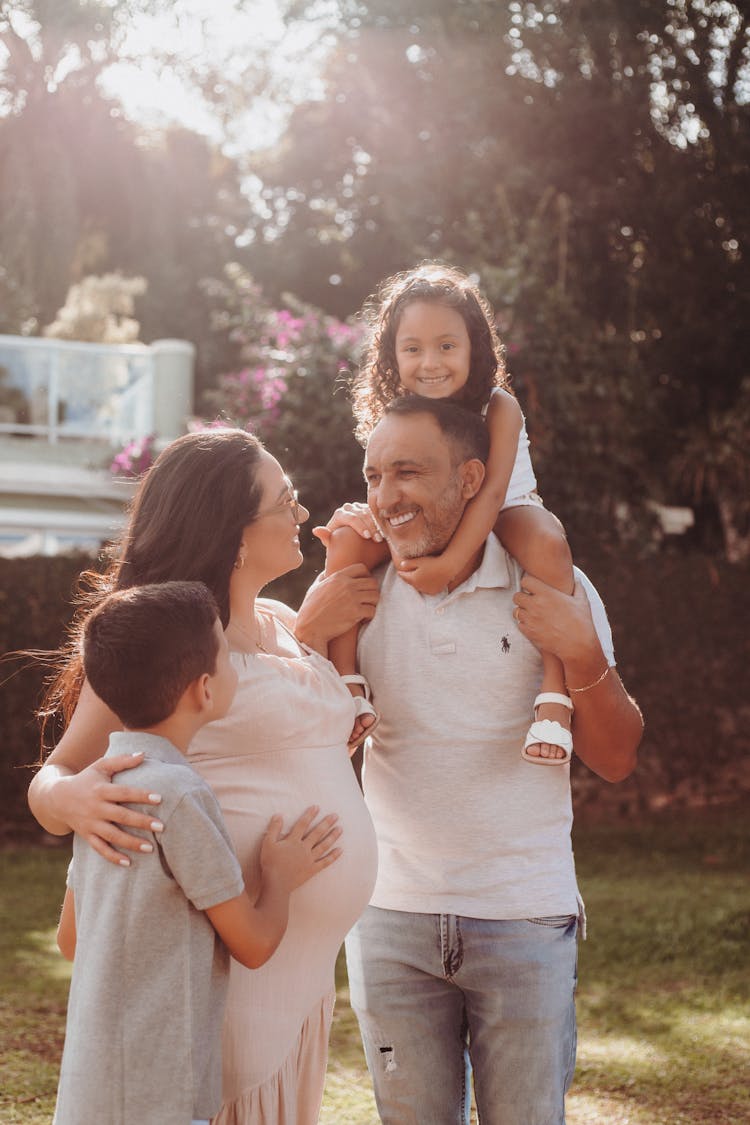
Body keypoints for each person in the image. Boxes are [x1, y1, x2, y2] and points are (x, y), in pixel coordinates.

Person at [27, 427, 380, 1125]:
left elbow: (271, 741)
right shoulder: (175, 649)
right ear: (236, 535)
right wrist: (73, 795)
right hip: (223, 993)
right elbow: (56, 776)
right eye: (286, 500)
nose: (301, 513)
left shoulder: (282, 625)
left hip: (300, 983)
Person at [316, 396, 644, 1125]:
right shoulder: (356, 592)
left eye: (408, 472)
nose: (385, 496)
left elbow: (616, 757)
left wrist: (584, 651)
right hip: (390, 920)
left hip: (523, 919)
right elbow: (284, 727)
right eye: (374, 475)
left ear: (471, 477)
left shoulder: (552, 582)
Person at [54, 580, 342, 1125]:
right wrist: (278, 876)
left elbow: (71, 939)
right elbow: (253, 944)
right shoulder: (181, 795)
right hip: (164, 1097)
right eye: (228, 658)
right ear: (204, 691)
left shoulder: (102, 787)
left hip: (88, 1096)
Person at [326, 262, 576, 763]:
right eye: (412, 348)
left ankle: (555, 698)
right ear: (392, 356)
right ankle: (346, 682)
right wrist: (368, 515)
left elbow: (488, 496)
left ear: (473, 348)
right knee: (347, 538)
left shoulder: (499, 405)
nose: (430, 362)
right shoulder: (395, 411)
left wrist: (443, 566)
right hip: (423, 513)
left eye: (446, 345)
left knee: (548, 541)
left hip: (504, 507)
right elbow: (386, 482)